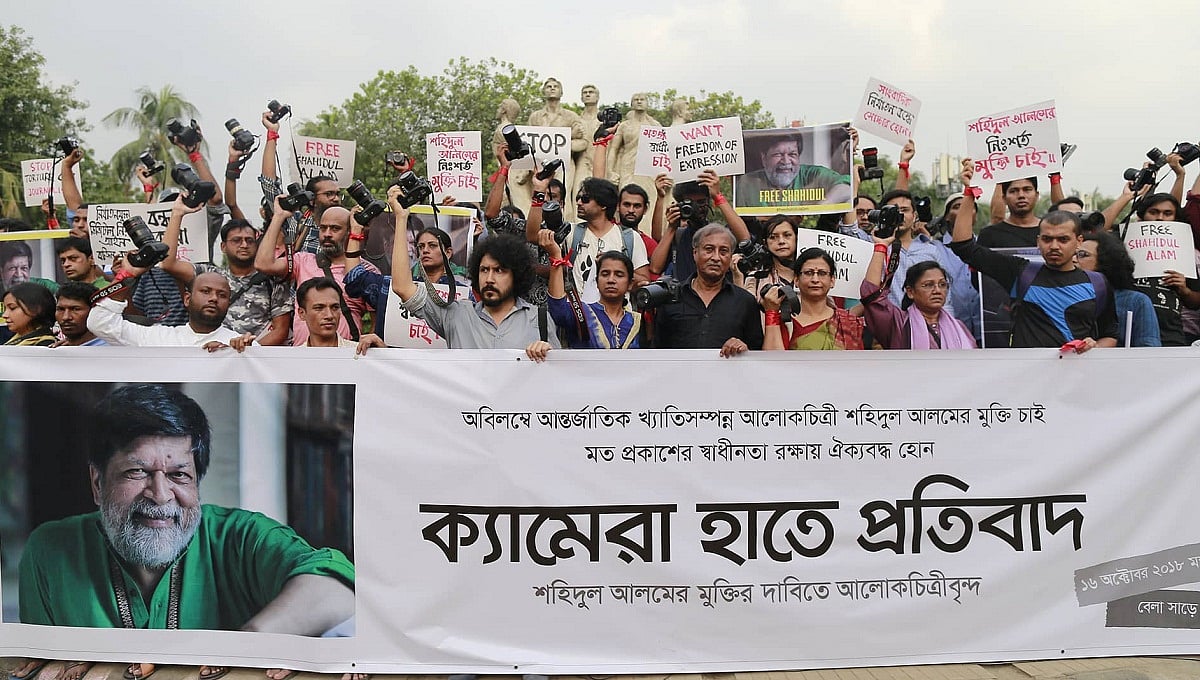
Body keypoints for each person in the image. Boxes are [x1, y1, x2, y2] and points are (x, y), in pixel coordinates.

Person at [17, 384, 356, 680]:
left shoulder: (239, 536)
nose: (161, 494)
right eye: (137, 471)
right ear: (97, 482)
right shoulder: (51, 549)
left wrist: (246, 644)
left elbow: (337, 591)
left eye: (179, 475)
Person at [948, 159, 1118, 351]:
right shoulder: (1020, 272)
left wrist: (1093, 347)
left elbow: (1110, 335)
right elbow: (963, 246)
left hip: (1077, 378)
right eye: (1047, 239)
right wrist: (970, 192)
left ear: (1079, 241)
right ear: (1038, 241)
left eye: (1063, 239)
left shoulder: (1098, 283)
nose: (1054, 246)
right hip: (1027, 378)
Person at [391, 186, 560, 354]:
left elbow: (561, 373)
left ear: (516, 275)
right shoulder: (456, 316)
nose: (489, 279)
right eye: (484, 270)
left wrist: (549, 354)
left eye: (499, 270)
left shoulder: (540, 319)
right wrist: (401, 218)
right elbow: (403, 288)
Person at [162, 197, 293, 345]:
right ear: (223, 247)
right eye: (236, 240)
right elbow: (168, 263)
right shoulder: (209, 276)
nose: (244, 245)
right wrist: (177, 214)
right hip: (210, 354)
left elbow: (280, 331)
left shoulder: (273, 280)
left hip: (254, 359)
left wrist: (245, 351)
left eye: (249, 240)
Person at [255, 197, 377, 346]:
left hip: (345, 359)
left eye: (335, 228)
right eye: (323, 228)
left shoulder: (366, 271)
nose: (327, 234)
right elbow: (263, 264)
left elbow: (377, 324)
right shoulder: (302, 261)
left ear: (350, 231)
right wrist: (279, 216)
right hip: (303, 357)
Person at [526, 174, 650, 302]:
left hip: (617, 318)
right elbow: (533, 236)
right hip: (579, 316)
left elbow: (644, 281)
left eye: (585, 199)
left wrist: (614, 266)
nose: (579, 203)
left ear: (603, 205)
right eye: (578, 198)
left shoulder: (630, 238)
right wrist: (539, 192)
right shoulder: (571, 232)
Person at [874, 189, 980, 337]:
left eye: (904, 210)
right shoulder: (876, 249)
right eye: (893, 210)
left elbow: (945, 296)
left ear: (914, 215)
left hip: (930, 331)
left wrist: (948, 332)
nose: (899, 215)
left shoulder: (931, 249)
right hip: (890, 330)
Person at [651, 225, 762, 356]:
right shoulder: (671, 298)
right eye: (709, 250)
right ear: (695, 253)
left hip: (728, 375)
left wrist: (743, 348)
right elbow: (657, 351)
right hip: (679, 375)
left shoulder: (745, 301)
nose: (716, 257)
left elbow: (757, 351)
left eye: (723, 251)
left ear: (731, 257)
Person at [87, 264, 253, 350]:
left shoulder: (237, 344)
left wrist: (240, 356)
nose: (214, 299)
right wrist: (128, 274)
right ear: (187, 299)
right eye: (205, 291)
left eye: (222, 295)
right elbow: (99, 323)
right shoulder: (157, 337)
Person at [861, 237, 977, 350]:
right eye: (928, 285)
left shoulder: (959, 328)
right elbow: (871, 295)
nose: (937, 290)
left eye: (942, 284)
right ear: (910, 292)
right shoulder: (897, 323)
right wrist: (881, 247)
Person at [538, 229, 645, 350]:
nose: (611, 280)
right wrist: (556, 256)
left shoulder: (638, 321)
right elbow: (558, 310)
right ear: (597, 281)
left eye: (619, 275)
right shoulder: (582, 312)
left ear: (630, 284)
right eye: (605, 274)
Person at [648, 171, 751, 282]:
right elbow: (655, 268)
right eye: (690, 203)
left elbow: (744, 238)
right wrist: (671, 227)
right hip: (685, 296)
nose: (696, 208)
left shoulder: (719, 234)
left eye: (701, 202)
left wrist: (718, 196)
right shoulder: (678, 235)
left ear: (709, 202)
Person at [762, 248, 865, 351]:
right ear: (796, 280)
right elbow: (772, 362)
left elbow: (856, 365)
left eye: (822, 273)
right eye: (808, 273)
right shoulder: (785, 321)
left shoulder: (847, 323)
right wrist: (771, 313)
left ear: (832, 280)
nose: (815, 280)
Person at [1076, 232, 1161, 347]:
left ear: (1105, 261)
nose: (1074, 260)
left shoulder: (1136, 301)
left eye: (1082, 254)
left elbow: (1149, 350)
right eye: (1073, 254)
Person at [737, 134, 852, 208]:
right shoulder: (748, 182)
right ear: (764, 158)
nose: (786, 161)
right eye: (778, 154)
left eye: (792, 154)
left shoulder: (813, 174)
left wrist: (821, 206)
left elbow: (846, 185)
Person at [734, 214, 796, 304]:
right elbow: (743, 312)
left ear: (796, 238)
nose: (781, 241)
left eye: (787, 235)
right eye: (773, 237)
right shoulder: (755, 278)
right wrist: (738, 278)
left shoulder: (810, 274)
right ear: (765, 243)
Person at [976, 177, 1041, 248]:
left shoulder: (1051, 230)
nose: (1021, 195)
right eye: (1013, 191)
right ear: (1004, 198)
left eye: (1027, 190)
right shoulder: (988, 234)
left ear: (1036, 195)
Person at [54, 282, 106, 346]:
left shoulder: (114, 350)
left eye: (75, 309)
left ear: (94, 311)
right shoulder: (57, 350)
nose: (66, 317)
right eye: (61, 309)